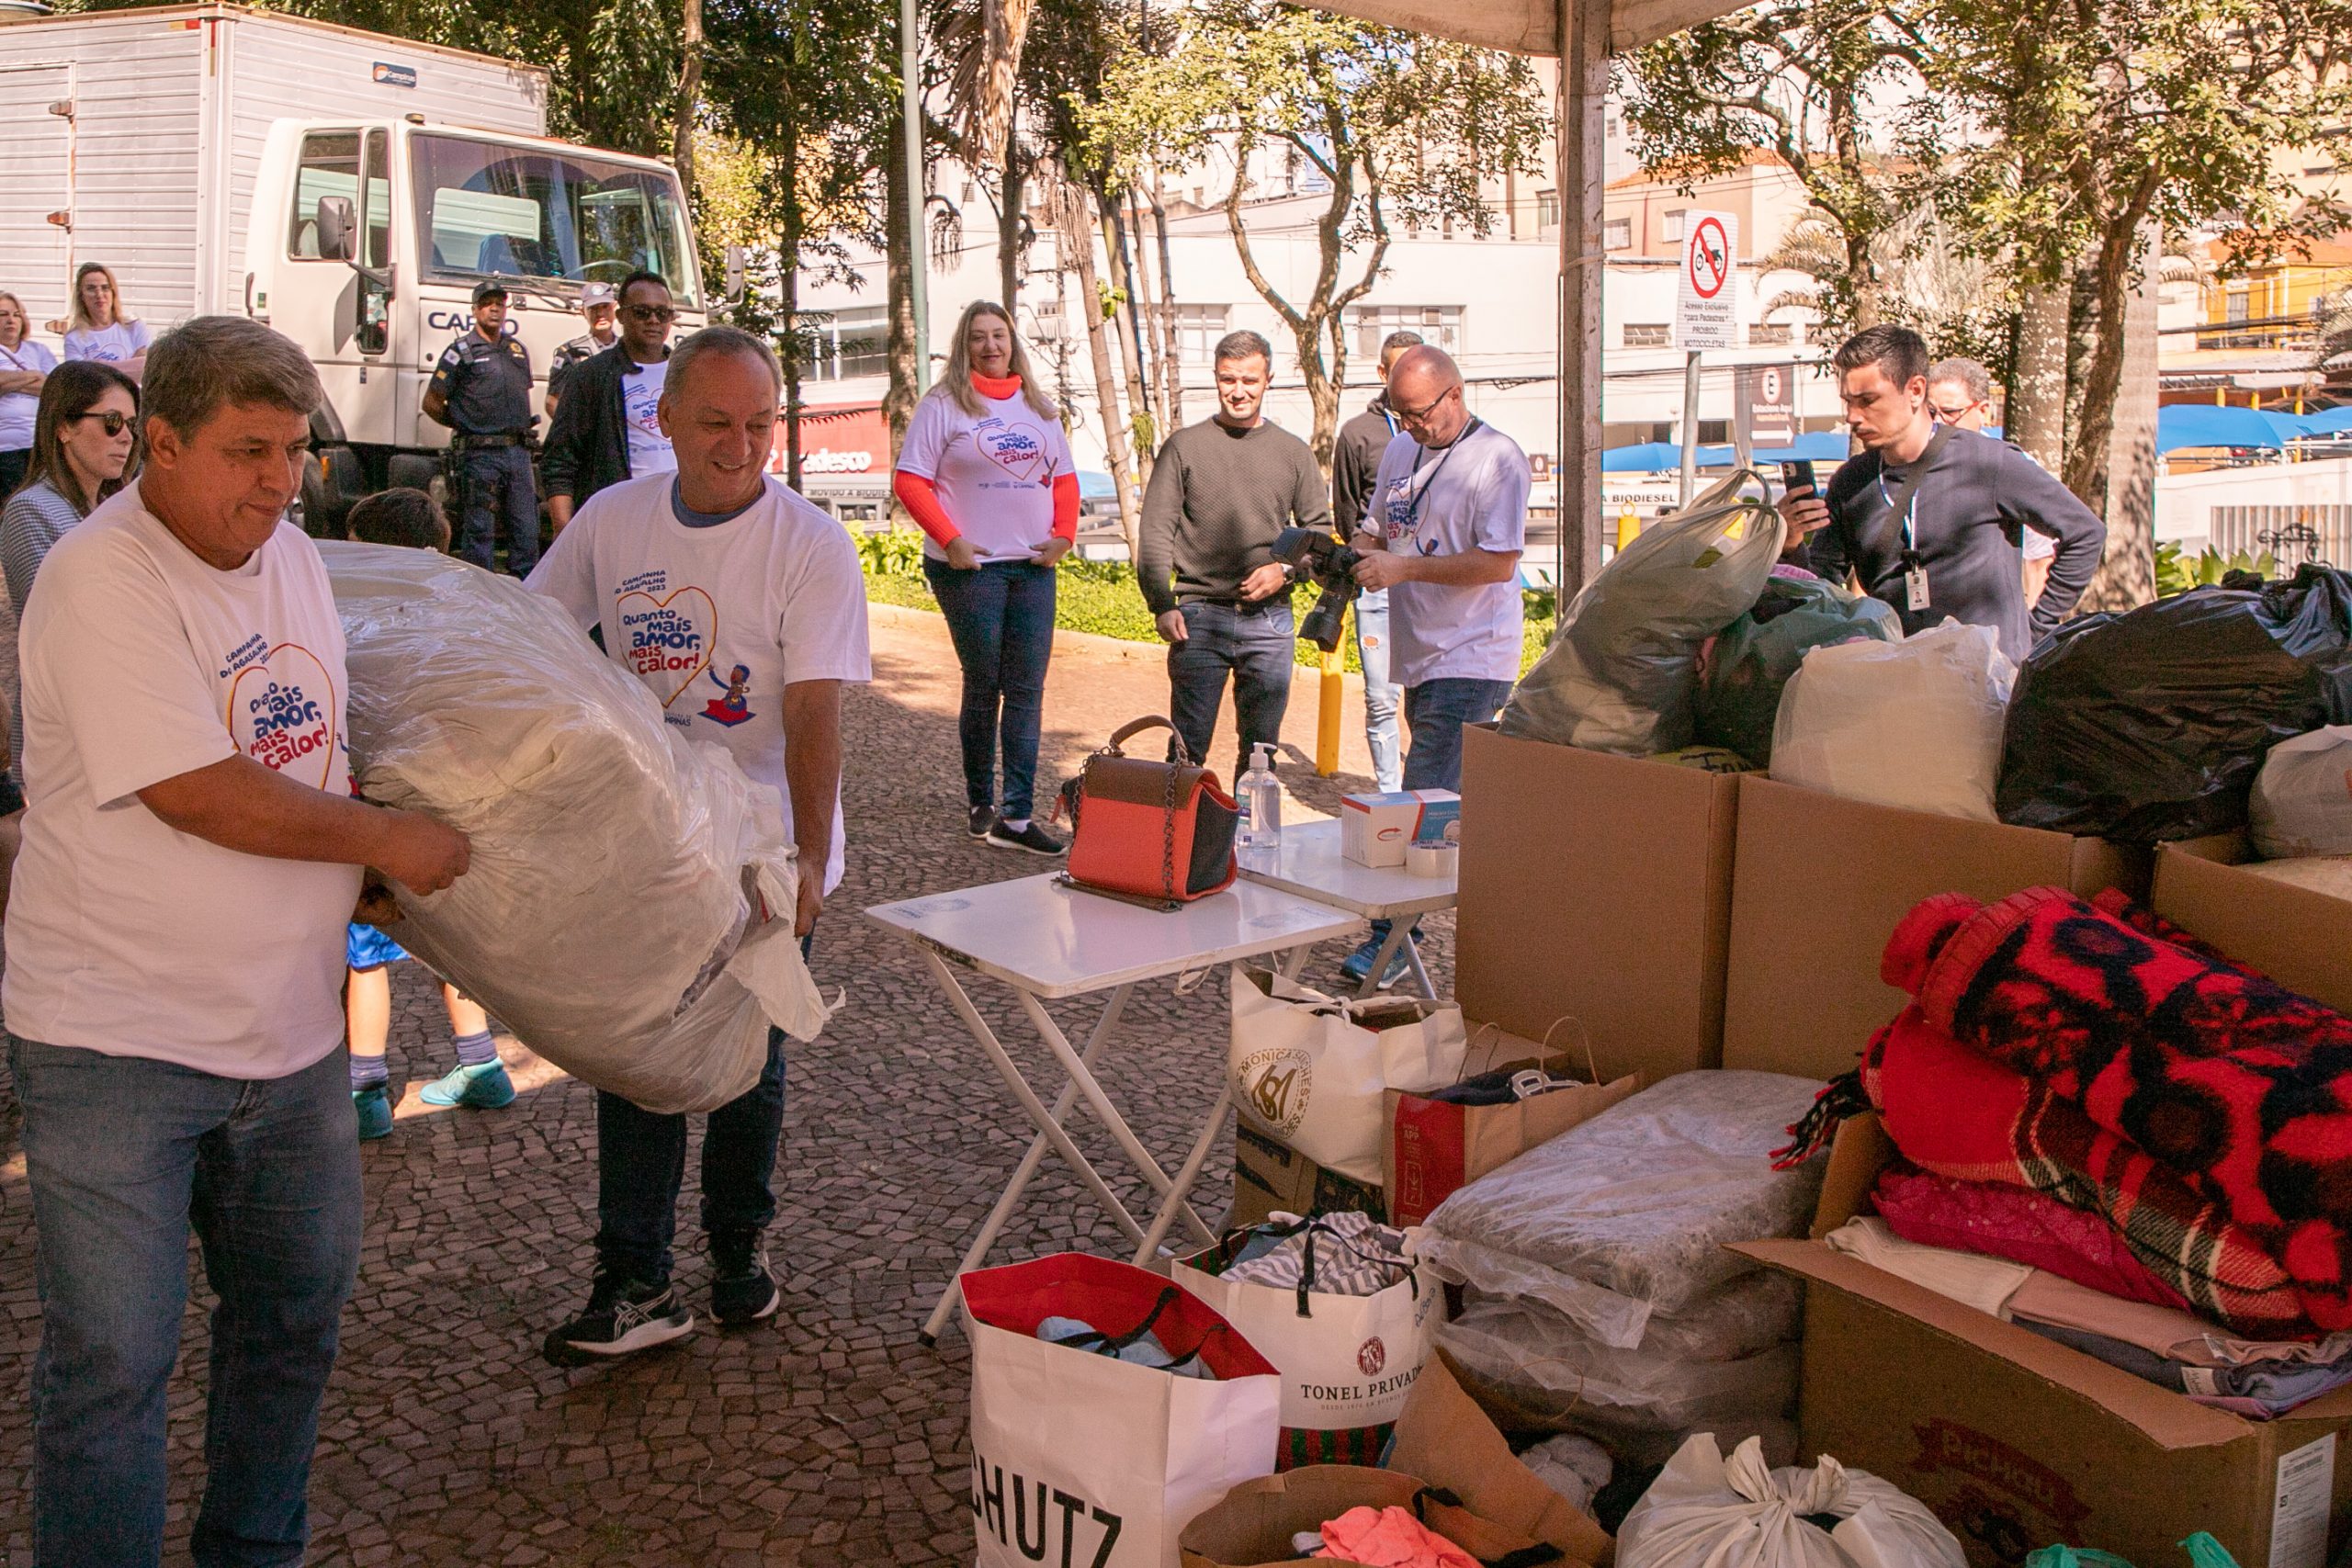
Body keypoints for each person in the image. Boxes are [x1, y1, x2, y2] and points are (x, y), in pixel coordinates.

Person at [6, 315, 469, 1568]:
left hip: (292, 1032)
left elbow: (307, 741)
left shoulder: (292, 556)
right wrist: (389, 835)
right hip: (116, 1040)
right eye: (247, 451)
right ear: (156, 444)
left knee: (292, 1320)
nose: (280, 481)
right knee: (113, 1364)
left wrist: (366, 871)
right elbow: (198, 787)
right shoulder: (102, 577)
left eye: (294, 451)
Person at [527, 325, 869, 1361]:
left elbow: (812, 714)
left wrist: (809, 863)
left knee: (745, 1055)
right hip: (652, 839)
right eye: (716, 422)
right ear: (663, 419)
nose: (740, 444)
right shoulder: (610, 521)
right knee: (639, 1048)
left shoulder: (809, 544)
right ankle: (634, 1278)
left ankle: (737, 1251)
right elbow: (535, 633)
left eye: (761, 423)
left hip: (765, 840)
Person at [1343, 345, 1529, 986]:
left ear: (1455, 393)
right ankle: (1465, 914)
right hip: (1418, 652)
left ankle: (1392, 940)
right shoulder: (1399, 449)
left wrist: (1404, 567)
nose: (1414, 426)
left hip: (1475, 652)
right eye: (1403, 415)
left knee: (1422, 795)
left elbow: (1497, 562)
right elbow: (1379, 526)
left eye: (1421, 413)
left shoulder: (1497, 459)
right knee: (1444, 797)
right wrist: (1352, 554)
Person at [340, 487, 514, 1141]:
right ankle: (483, 1064)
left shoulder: (365, 620)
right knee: (451, 941)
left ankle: (365, 1090)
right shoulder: (459, 611)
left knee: (366, 959)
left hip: (386, 809)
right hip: (451, 806)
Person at [1785, 325, 2104, 664]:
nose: (1852, 416)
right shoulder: (1851, 481)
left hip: (1988, 685)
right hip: (1897, 682)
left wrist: (2036, 629)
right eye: (1848, 402)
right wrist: (1790, 544)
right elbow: (1822, 586)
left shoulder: (1988, 462)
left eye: (1868, 401)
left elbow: (2086, 533)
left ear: (1915, 390)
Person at [892, 300, 1079, 852]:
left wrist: (1063, 537)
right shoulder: (944, 404)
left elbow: (1064, 481)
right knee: (985, 682)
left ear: (1013, 342)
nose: (991, 346)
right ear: (964, 345)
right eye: (979, 337)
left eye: (1000, 336)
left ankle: (1018, 818)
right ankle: (981, 798)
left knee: (1026, 687)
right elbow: (910, 481)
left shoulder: (1039, 408)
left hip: (1032, 567)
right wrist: (950, 541)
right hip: (970, 569)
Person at [1136, 330, 1329, 778]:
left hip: (1270, 618)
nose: (1238, 391)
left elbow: (1318, 533)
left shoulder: (1294, 452)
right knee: (1186, 748)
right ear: (1216, 379)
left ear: (1268, 380)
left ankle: (1250, 841)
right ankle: (1178, 843)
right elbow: (1156, 531)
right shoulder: (1184, 447)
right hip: (1198, 617)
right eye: (1228, 379)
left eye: (1249, 380)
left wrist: (1284, 571)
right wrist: (1161, 604)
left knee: (1261, 754)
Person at [2, 360, 141, 783]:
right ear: (64, 427)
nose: (126, 438)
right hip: (66, 730)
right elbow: (59, 629)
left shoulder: (118, 508)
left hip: (116, 714)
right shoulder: (32, 510)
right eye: (112, 422)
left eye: (132, 425)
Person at [1330, 329, 1423, 794]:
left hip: (1425, 586)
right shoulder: (1357, 434)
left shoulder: (1435, 431)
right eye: (1399, 369)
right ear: (1383, 373)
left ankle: (1425, 789)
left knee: (1423, 700)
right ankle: (1390, 792)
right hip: (1377, 591)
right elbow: (1348, 512)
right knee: (1380, 698)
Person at [542, 269, 678, 530]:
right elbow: (559, 459)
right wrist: (564, 530)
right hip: (619, 522)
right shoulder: (591, 375)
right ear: (622, 316)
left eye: (662, 313)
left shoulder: (686, 373)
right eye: (642, 312)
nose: (653, 320)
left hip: (678, 518)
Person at [423, 279, 540, 577]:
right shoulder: (460, 351)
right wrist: (466, 423)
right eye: (488, 304)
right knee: (479, 534)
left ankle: (525, 601)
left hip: (518, 454)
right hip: (481, 455)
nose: (495, 310)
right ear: (475, 310)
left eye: (500, 304)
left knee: (526, 530)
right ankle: (480, 601)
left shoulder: (516, 350)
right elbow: (432, 402)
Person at [1928, 355, 2056, 606]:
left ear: (1983, 410)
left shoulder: (2009, 465)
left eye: (1950, 412)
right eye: (1931, 412)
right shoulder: (1912, 464)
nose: (1938, 421)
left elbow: (2039, 558)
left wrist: (2034, 626)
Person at [0, 289, 58, 495]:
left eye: (16, 314)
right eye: (3, 314)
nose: (11, 320)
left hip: (40, 443)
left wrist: (8, 381)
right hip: (5, 446)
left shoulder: (38, 350)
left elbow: (54, 388)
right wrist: (33, 375)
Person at [62, 262, 150, 381]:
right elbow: (80, 381)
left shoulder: (134, 327)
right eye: (91, 288)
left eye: (105, 287)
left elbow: (147, 368)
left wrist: (96, 367)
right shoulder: (74, 338)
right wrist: (130, 366)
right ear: (81, 296)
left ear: (113, 293)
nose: (99, 294)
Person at [548, 280, 620, 420]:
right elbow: (552, 401)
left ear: (615, 307)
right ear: (583, 312)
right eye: (593, 309)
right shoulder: (571, 353)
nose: (600, 313)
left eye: (605, 306)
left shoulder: (629, 350)